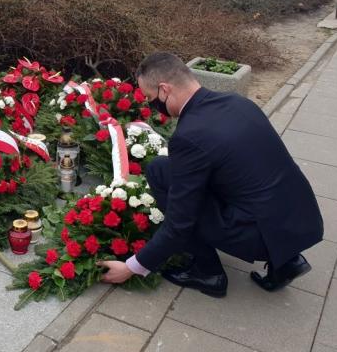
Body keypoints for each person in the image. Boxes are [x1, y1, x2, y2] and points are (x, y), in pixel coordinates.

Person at [99, 52, 323, 297]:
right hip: (301, 217)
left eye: (151, 98)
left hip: (260, 233)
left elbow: (179, 224)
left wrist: (132, 267)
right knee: (165, 168)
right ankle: (287, 261)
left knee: (163, 177)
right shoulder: (237, 102)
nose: (152, 105)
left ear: (165, 90)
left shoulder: (190, 136)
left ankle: (208, 272)